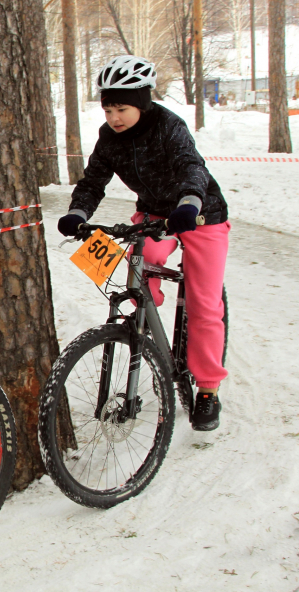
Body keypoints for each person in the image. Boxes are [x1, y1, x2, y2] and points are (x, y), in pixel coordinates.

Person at [57, 55, 230, 432]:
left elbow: (191, 167)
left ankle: (208, 388)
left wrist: (189, 201)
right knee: (142, 269)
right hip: (154, 214)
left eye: (122, 108)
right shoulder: (109, 138)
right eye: (108, 109)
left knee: (203, 303)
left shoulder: (169, 126)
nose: (114, 117)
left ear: (141, 103)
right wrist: (78, 213)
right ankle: (146, 334)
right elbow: (92, 182)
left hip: (200, 212)